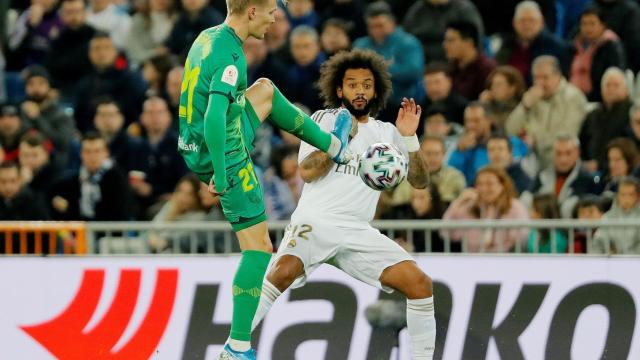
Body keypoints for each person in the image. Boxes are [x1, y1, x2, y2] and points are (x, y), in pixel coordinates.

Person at [176, 1, 353, 358]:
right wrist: (222, 176)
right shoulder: (230, 57)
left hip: (194, 142)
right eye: (272, 10)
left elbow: (207, 105)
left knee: (266, 91)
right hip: (223, 151)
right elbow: (214, 117)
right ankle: (237, 347)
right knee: (258, 248)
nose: (276, 17)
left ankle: (334, 145)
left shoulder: (209, 37)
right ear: (252, 11)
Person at [248, 49, 436, 360]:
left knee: (419, 283)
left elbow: (419, 181)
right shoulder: (322, 120)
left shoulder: (387, 134)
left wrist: (410, 139)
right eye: (352, 84)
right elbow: (308, 172)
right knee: (282, 273)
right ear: (339, 89)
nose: (359, 91)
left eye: (366, 84)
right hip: (318, 219)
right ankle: (234, 346)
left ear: (375, 91)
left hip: (358, 230)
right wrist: (339, 139)